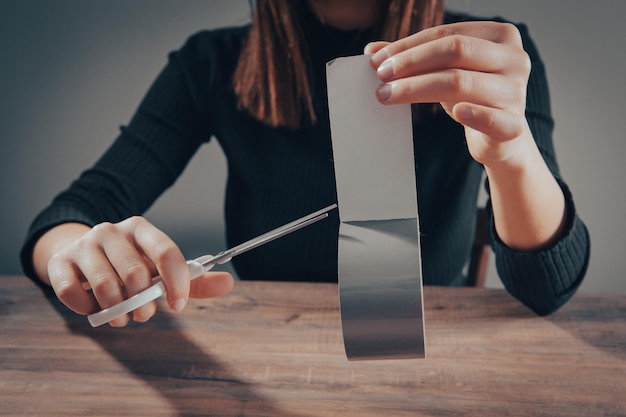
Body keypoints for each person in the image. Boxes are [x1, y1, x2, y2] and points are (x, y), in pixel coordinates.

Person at [20, 0, 590, 327]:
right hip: (268, 355)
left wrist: (511, 156)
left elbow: (547, 289)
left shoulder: (488, 58)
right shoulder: (211, 63)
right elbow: (71, 214)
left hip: (432, 358)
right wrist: (77, 253)